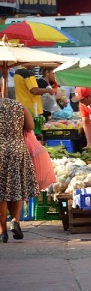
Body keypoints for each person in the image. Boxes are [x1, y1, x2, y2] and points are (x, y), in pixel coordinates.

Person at [0, 98, 40, 243]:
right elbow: (30, 126)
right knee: (17, 187)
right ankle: (15, 220)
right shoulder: (18, 105)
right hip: (17, 149)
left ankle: (2, 231)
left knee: (1, 193)